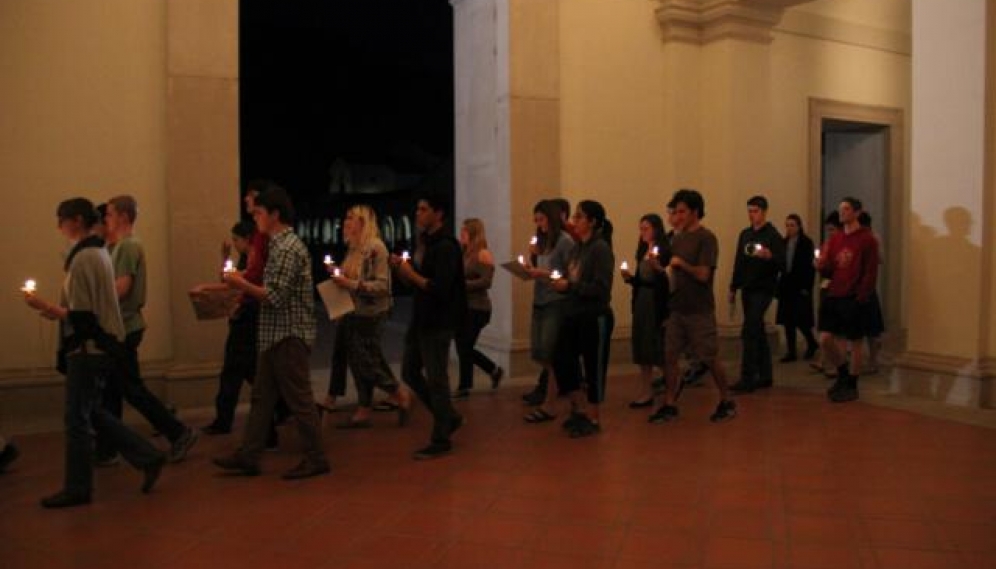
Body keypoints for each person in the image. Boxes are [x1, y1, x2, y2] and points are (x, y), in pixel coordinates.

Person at [23, 198, 165, 508]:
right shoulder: (99, 252)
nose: (57, 225)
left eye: (60, 219)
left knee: (76, 418)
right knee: (91, 411)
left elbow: (85, 318)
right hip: (100, 346)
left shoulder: (84, 258)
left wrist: (47, 308)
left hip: (87, 348)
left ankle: (78, 487)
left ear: (75, 220)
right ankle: (148, 456)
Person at [213, 186, 330, 479]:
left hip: (288, 335)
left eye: (259, 213)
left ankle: (316, 457)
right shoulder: (276, 246)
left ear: (275, 214)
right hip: (274, 334)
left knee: (299, 400)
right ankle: (249, 455)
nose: (256, 219)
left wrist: (238, 285)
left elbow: (275, 296)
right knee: (262, 397)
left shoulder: (288, 248)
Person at [95, 195, 199, 464]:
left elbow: (122, 288)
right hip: (120, 326)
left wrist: (91, 299)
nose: (105, 219)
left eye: (109, 214)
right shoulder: (118, 247)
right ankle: (107, 448)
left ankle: (178, 432)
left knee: (130, 388)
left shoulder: (129, 247)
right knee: (113, 389)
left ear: (123, 217)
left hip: (124, 327)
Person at [650, 189, 736, 424]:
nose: (677, 216)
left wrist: (683, 264)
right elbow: (672, 273)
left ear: (694, 212)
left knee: (709, 356)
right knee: (669, 356)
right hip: (678, 307)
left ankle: (726, 399)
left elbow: (703, 274)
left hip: (699, 308)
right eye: (675, 211)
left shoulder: (706, 238)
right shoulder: (677, 238)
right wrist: (660, 268)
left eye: (682, 211)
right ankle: (670, 403)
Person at [390, 194, 466, 459]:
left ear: (439, 213)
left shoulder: (446, 246)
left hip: (438, 320)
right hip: (421, 318)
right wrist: (403, 271)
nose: (417, 214)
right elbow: (417, 283)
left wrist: (412, 275)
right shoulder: (424, 242)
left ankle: (441, 437)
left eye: (423, 209)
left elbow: (441, 288)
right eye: (417, 209)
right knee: (410, 372)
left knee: (437, 378)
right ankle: (448, 416)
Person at [325, 205, 411, 428]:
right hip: (355, 311)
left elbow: (382, 285)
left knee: (365, 361)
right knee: (359, 360)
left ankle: (397, 391)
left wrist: (349, 282)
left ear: (363, 222)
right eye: (345, 217)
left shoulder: (375, 248)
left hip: (372, 313)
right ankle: (364, 409)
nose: (346, 222)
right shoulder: (354, 247)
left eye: (351, 218)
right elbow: (354, 279)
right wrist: (338, 274)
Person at [550, 200, 615, 438]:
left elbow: (601, 288)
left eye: (579, 217)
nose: (574, 221)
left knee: (593, 366)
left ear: (593, 222)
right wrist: (561, 283)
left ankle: (594, 416)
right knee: (561, 357)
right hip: (573, 313)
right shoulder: (578, 248)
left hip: (594, 316)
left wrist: (571, 285)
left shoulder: (600, 249)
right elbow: (571, 277)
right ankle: (579, 407)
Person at [816, 197, 880, 403]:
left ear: (857, 212)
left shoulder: (867, 239)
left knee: (855, 342)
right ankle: (842, 372)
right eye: (840, 209)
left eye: (846, 209)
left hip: (854, 296)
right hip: (834, 293)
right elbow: (830, 268)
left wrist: (862, 295)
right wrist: (821, 265)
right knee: (825, 339)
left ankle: (852, 383)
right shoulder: (836, 239)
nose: (842, 213)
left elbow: (870, 271)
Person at [200, 220, 259, 434]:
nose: (234, 243)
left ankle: (223, 421)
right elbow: (229, 281)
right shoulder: (245, 258)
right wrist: (225, 259)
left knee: (235, 372)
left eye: (236, 239)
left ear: (246, 239)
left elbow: (234, 282)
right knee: (248, 372)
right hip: (242, 320)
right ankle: (285, 408)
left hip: (247, 321)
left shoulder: (255, 260)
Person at [522, 200, 574, 423]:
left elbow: (569, 276)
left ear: (551, 218)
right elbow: (538, 269)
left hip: (556, 302)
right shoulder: (543, 242)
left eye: (541, 219)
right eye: (536, 220)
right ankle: (568, 385)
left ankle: (550, 404)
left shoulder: (565, 242)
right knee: (538, 352)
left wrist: (542, 273)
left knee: (551, 354)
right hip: (540, 301)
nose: (538, 224)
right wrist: (529, 260)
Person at [729, 195, 785, 394]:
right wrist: (733, 286)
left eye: (755, 211)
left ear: (764, 211)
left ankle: (748, 377)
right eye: (749, 211)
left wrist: (770, 256)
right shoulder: (745, 234)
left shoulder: (773, 236)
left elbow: (782, 263)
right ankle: (766, 375)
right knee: (757, 330)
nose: (752, 215)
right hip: (748, 287)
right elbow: (739, 261)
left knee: (750, 330)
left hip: (764, 288)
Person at [621, 214, 669, 408]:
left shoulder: (664, 250)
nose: (642, 232)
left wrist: (658, 267)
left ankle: (671, 380)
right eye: (641, 229)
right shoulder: (642, 250)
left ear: (656, 229)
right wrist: (630, 278)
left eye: (646, 228)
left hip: (654, 303)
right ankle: (646, 390)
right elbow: (642, 280)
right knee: (642, 345)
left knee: (654, 345)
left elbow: (666, 281)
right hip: (642, 300)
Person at [453, 218, 504, 399]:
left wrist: (461, 285)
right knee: (462, 346)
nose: (461, 235)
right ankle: (488, 373)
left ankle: (466, 385)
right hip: (464, 307)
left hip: (478, 308)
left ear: (473, 234)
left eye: (464, 232)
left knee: (465, 346)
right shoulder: (464, 253)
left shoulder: (483, 254)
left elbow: (486, 281)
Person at [775, 214, 819, 362]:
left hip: (800, 285)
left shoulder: (806, 243)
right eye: (787, 225)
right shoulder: (784, 242)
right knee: (788, 320)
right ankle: (791, 351)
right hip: (787, 285)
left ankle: (812, 342)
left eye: (792, 225)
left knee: (801, 319)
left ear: (799, 226)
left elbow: (809, 267)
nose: (789, 228)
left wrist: (807, 286)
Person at [857, 211, 885, 374]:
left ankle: (873, 359)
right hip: (856, 286)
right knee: (861, 327)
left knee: (871, 328)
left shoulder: (873, 238)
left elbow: (880, 259)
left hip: (867, 287)